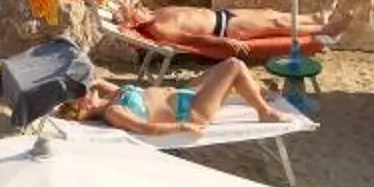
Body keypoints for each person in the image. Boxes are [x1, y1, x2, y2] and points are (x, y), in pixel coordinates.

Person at [62, 58, 285, 136]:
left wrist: (92, 85)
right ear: (85, 108)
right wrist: (183, 127)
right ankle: (264, 111)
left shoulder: (112, 98)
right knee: (234, 65)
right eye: (79, 100)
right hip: (191, 111)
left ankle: (260, 93)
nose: (82, 95)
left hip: (186, 94)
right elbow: (146, 128)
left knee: (222, 68)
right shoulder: (113, 111)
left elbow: (99, 81)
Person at [118, 2, 339, 58]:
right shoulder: (159, 27)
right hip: (225, 29)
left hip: (224, 15)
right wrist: (225, 43)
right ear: (133, 22)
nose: (139, 7)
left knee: (270, 13)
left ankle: (314, 18)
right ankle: (325, 29)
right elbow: (193, 40)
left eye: (136, 5)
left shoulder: (158, 13)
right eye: (134, 10)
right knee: (277, 25)